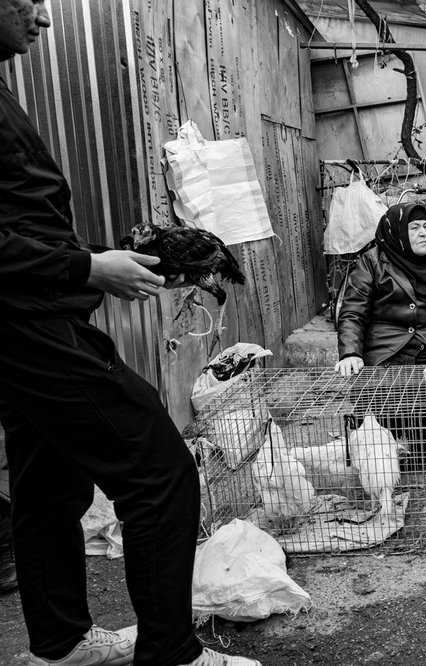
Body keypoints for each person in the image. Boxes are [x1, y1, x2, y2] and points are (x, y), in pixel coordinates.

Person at [0, 2, 257, 664]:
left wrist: (99, 271)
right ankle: (173, 653)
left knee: (49, 480)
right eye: (27, 5)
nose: (44, 21)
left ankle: (61, 646)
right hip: (26, 328)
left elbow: (22, 221)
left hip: (37, 313)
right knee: (161, 472)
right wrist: (86, 265)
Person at [335, 202, 426, 375]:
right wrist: (350, 353)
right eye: (414, 228)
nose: (423, 233)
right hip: (388, 348)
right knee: (383, 393)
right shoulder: (372, 262)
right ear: (398, 232)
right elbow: (353, 313)